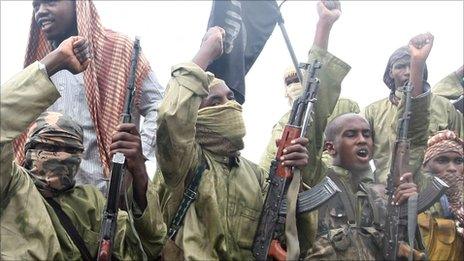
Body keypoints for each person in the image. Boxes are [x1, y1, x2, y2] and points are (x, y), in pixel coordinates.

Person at [153, 23, 325, 259]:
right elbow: (171, 120)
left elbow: (298, 239)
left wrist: (295, 178)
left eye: (231, 97)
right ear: (196, 115)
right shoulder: (183, 163)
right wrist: (204, 54)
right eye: (215, 102)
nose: (229, 105)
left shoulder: (254, 176)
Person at [0, 36, 166, 260]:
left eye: (71, 150)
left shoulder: (92, 204)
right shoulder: (10, 186)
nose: (61, 156)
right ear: (29, 150)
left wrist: (139, 172)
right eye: (50, 146)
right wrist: (55, 61)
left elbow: (147, 246)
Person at [13, 0, 165, 194]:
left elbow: (158, 105)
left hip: (105, 194)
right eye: (36, 6)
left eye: (50, 2)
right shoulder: (41, 66)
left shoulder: (120, 50)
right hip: (49, 200)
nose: (40, 12)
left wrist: (138, 155)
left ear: (78, 4)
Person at [305, 113, 420, 260]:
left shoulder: (381, 196)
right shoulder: (316, 183)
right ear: (330, 147)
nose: (362, 140)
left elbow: (403, 249)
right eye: (351, 135)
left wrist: (407, 209)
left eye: (367, 135)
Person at [364, 33, 462, 185]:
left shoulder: (444, 107)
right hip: (385, 196)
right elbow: (358, 156)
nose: (408, 72)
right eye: (400, 66)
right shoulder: (372, 111)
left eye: (412, 65)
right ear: (390, 72)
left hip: (437, 196)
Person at [417, 130, 463, 260]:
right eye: (442, 160)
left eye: (458, 161)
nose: (452, 168)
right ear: (426, 166)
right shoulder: (417, 194)